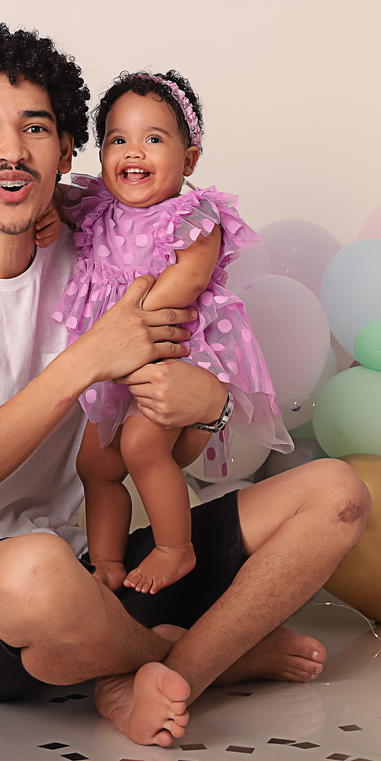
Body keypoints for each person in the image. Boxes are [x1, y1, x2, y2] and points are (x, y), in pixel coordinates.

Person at [0, 24, 370, 747]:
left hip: (90, 572)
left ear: (68, 150)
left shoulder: (102, 246)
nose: (12, 151)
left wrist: (212, 408)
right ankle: (202, 656)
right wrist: (85, 360)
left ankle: (158, 671)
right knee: (36, 573)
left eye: (36, 128)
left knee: (337, 494)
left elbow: (161, 448)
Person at [58, 70, 291, 596]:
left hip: (170, 350)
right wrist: (52, 216)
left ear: (188, 159)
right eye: (117, 139)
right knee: (94, 463)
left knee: (141, 446)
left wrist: (134, 321)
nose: (133, 152)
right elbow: (51, 201)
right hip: (112, 358)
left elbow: (188, 278)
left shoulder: (192, 215)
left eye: (153, 139)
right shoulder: (98, 208)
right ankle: (107, 560)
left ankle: (174, 548)